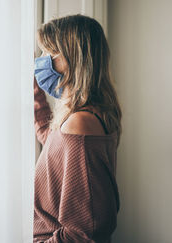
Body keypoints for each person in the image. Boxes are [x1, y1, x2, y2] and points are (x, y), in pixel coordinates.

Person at [33, 14, 122, 243]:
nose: (42, 61)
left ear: (73, 59)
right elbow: (54, 144)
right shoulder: (85, 115)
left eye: (49, 53)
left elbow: (83, 230)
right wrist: (34, 91)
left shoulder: (80, 124)